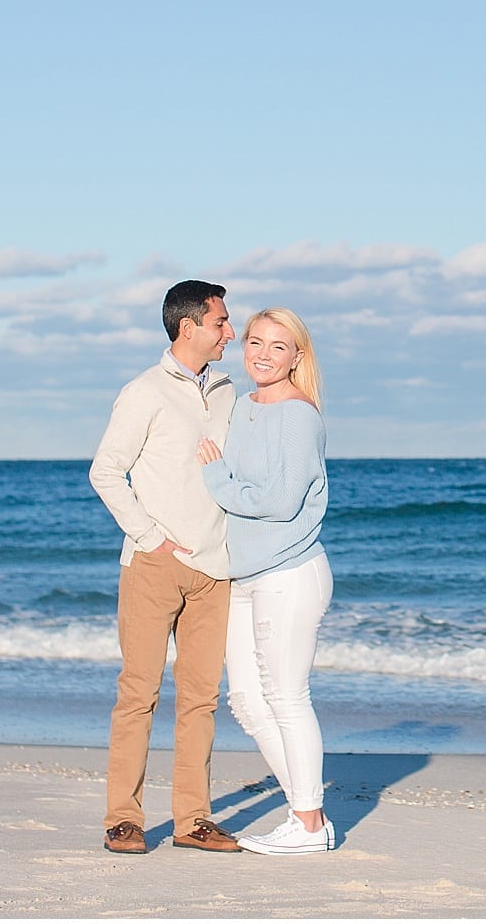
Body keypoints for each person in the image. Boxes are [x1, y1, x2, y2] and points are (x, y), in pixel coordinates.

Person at [88, 280, 242, 855]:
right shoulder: (144, 391)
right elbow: (106, 472)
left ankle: (193, 820)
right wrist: (152, 539)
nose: (231, 332)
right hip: (154, 566)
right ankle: (122, 819)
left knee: (201, 700)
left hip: (216, 570)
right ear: (189, 327)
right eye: (221, 322)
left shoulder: (230, 392)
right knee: (139, 695)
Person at [198, 307, 335, 855]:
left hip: (290, 571)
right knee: (248, 703)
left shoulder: (299, 415)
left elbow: (279, 502)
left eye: (278, 346)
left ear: (298, 356)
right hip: (244, 574)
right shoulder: (242, 405)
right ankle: (306, 814)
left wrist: (216, 482)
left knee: (285, 695)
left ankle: (307, 824)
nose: (262, 354)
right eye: (255, 341)